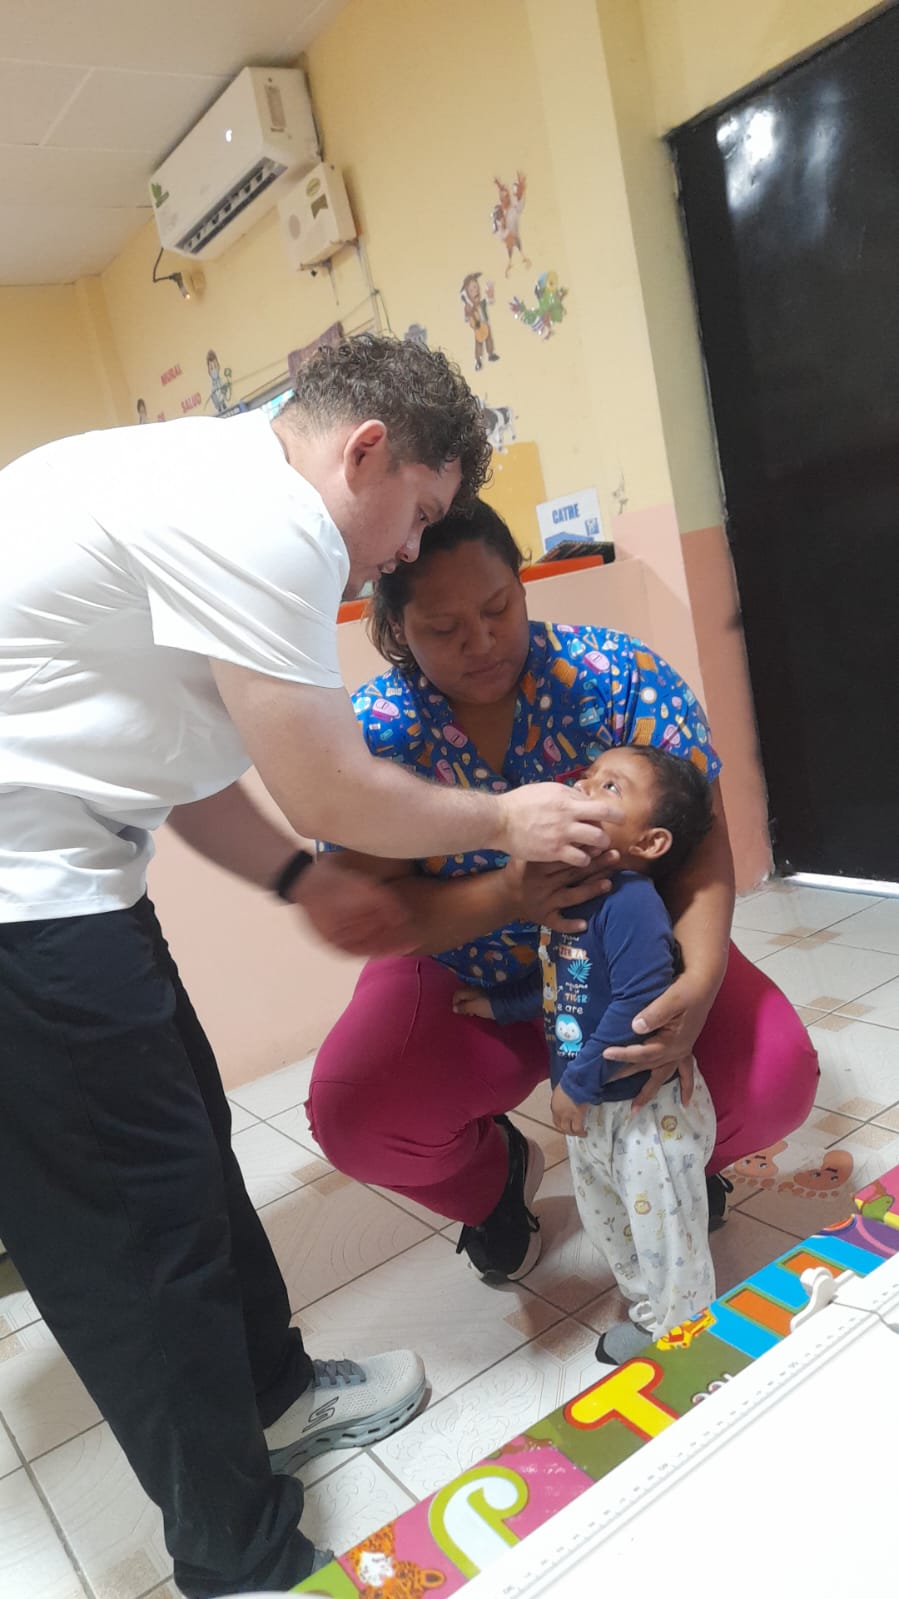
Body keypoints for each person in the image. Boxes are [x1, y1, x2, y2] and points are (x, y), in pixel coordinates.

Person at [0, 336, 616, 1599]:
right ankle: (238, 1563)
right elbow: (330, 788)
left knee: (189, 1154)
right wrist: (506, 821)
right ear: (365, 451)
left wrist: (295, 879)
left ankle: (276, 1399)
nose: (407, 549)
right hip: (25, 909)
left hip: (74, 883)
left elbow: (169, 766)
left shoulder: (199, 488)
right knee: (139, 1238)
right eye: (419, 515)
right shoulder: (262, 517)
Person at [308, 499, 819, 1283]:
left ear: (522, 585)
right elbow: (380, 913)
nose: (481, 642)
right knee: (357, 1114)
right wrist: (510, 894)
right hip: (464, 970)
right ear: (396, 628)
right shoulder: (374, 732)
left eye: (497, 607)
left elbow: (699, 839)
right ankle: (491, 1184)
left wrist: (696, 982)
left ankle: (678, 1159)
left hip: (626, 959)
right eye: (443, 628)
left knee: (772, 1076)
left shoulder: (617, 675)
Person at [454, 743, 718, 1365]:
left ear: (649, 842)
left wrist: (578, 1083)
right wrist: (499, 1005)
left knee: (666, 1238)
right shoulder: (571, 892)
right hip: (595, 1107)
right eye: (587, 778)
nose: (583, 790)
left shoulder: (630, 902)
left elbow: (637, 1000)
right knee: (611, 1222)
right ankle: (651, 1316)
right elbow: (561, 981)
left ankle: (688, 1342)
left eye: (610, 788)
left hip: (643, 1112)